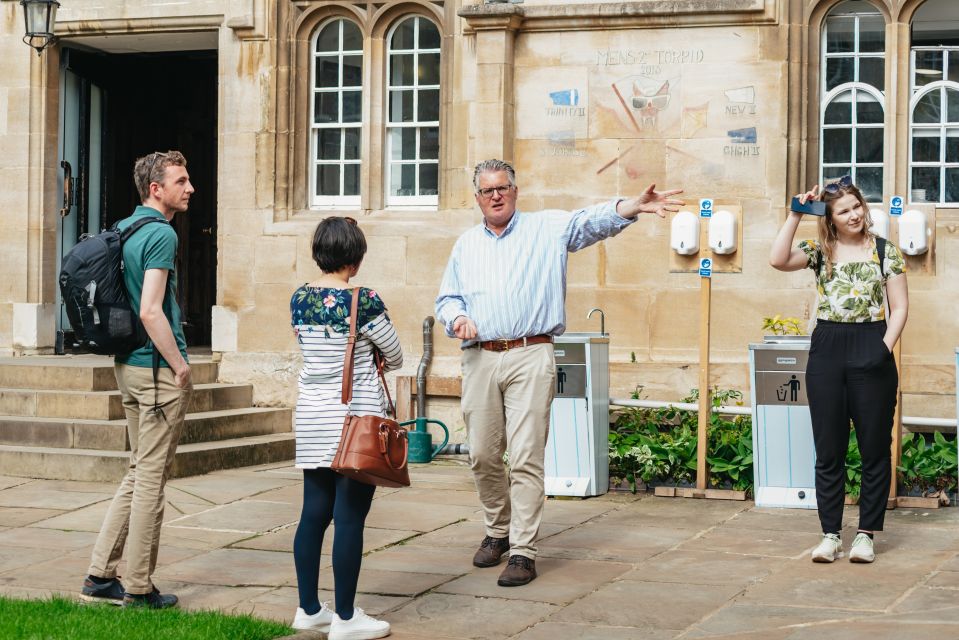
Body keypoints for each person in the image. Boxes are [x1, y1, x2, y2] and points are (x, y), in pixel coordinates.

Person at [435, 159, 683, 586]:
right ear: (477, 198)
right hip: (479, 357)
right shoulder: (465, 245)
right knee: (481, 454)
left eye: (503, 188)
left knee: (527, 456)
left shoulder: (546, 228)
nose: (496, 195)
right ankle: (497, 530)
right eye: (487, 190)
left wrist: (632, 206)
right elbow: (447, 299)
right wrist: (457, 319)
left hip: (531, 353)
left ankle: (523, 550)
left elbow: (590, 222)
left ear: (515, 191)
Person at [769, 175, 907, 564]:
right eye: (843, 211)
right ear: (829, 218)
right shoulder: (820, 251)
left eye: (856, 206)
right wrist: (796, 212)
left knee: (874, 448)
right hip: (827, 349)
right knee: (828, 449)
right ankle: (830, 534)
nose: (853, 215)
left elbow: (899, 308)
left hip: (872, 346)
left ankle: (865, 534)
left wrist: (882, 349)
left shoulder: (885, 251)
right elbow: (778, 259)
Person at [80, 151, 194, 608]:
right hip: (155, 371)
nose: (190, 188)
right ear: (156, 189)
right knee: (151, 480)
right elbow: (150, 309)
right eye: (181, 181)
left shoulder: (126, 228)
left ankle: (99, 576)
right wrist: (180, 366)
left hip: (127, 368)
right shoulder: (161, 234)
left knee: (136, 473)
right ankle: (140, 588)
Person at [289, 216, 402, 640]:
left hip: (313, 416)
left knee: (313, 513)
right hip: (354, 419)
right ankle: (347, 618)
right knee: (350, 516)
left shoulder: (299, 299)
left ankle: (309, 609)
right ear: (354, 258)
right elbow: (395, 354)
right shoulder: (364, 300)